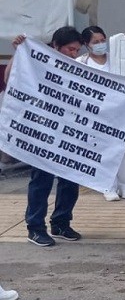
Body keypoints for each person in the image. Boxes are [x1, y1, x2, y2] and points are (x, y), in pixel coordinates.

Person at [6, 28, 86, 247]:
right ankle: (35, 227)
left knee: (70, 180)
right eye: (70, 49)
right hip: (42, 133)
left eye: (77, 50)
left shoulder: (78, 66)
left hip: (68, 133)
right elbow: (10, 79)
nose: (73, 53)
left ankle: (61, 222)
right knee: (42, 180)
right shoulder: (36, 61)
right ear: (55, 46)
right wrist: (20, 53)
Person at [77, 26, 125, 202]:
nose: (100, 44)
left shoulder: (116, 59)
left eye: (103, 40)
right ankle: (108, 186)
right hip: (96, 113)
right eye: (96, 42)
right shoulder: (81, 62)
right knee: (102, 150)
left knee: (123, 150)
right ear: (87, 44)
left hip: (119, 111)